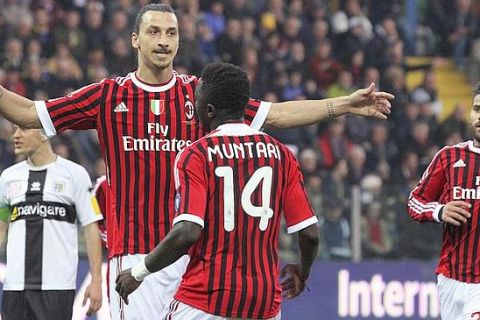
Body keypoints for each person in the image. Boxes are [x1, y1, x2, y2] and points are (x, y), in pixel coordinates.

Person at [0, 3, 393, 318]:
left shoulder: (200, 95)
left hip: (196, 261)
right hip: (135, 256)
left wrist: (343, 104)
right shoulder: (108, 95)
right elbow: (28, 115)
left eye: (171, 32)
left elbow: (276, 116)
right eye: (154, 31)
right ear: (135, 38)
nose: (163, 40)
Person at [116, 62, 319, 319]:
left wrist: (138, 272)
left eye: (197, 101)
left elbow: (188, 231)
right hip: (264, 304)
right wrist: (302, 271)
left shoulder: (196, 155)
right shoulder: (281, 155)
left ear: (208, 110)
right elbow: (310, 233)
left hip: (205, 299)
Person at [0, 126, 103, 320]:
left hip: (57, 287)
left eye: (22, 129)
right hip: (15, 286)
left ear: (43, 134)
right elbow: (2, 224)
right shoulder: (7, 177)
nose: (15, 135)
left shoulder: (75, 174)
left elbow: (91, 227)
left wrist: (96, 280)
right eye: (14, 129)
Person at [407, 83, 480, 319]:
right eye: (477, 109)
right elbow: (414, 201)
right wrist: (439, 211)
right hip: (451, 279)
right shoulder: (450, 157)